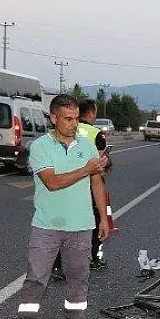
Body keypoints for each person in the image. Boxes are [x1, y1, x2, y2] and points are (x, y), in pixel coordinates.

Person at [12, 94, 110, 319]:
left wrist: (104, 218)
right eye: (68, 119)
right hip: (46, 226)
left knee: (78, 278)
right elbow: (52, 182)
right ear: (53, 118)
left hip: (81, 226)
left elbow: (97, 181)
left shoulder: (86, 145)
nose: (73, 124)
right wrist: (87, 169)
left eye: (76, 118)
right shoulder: (40, 146)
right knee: (36, 278)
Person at [52, 99, 113, 279]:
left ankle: (56, 265)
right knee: (90, 222)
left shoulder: (58, 129)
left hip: (62, 180)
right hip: (86, 183)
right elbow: (100, 164)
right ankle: (92, 258)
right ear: (91, 114)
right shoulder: (96, 134)